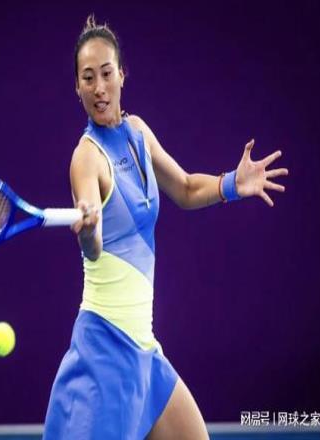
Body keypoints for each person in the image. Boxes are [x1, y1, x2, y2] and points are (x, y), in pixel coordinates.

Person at [43, 15, 288, 440]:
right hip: (106, 350)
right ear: (77, 88)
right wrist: (87, 228)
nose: (99, 87)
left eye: (106, 73)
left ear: (122, 74)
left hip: (144, 349)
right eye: (88, 78)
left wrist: (234, 183)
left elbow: (187, 188)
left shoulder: (138, 132)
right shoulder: (86, 158)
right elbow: (94, 245)